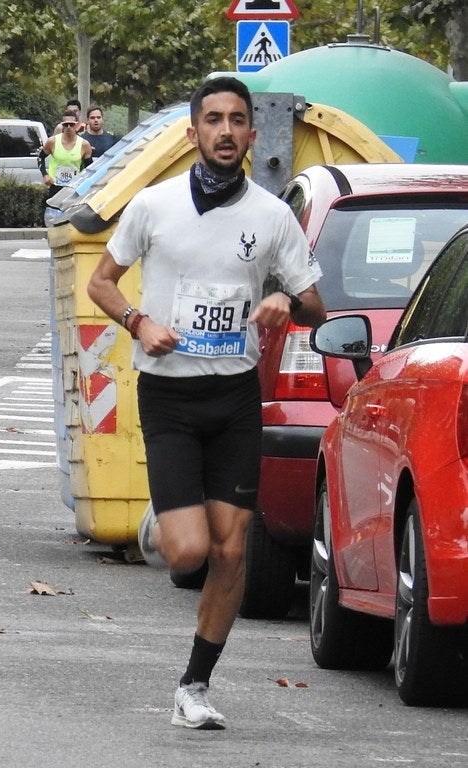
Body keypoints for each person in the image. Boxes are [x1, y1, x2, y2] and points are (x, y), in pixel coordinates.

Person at [86, 76, 326, 731]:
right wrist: (138, 323)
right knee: (189, 552)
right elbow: (100, 281)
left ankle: (194, 684)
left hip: (233, 398)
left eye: (237, 120)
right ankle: (162, 526)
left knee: (231, 552)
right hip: (168, 395)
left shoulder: (273, 217)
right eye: (213, 120)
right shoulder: (153, 206)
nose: (225, 131)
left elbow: (314, 304)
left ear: (252, 134)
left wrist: (283, 300)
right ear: (193, 133)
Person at [41, 110, 92, 206]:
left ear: (77, 125)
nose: (68, 127)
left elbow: (90, 168)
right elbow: (40, 158)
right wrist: (45, 175)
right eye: (66, 124)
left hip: (74, 189)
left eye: (71, 124)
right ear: (62, 125)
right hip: (55, 187)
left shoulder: (84, 144)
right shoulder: (52, 141)